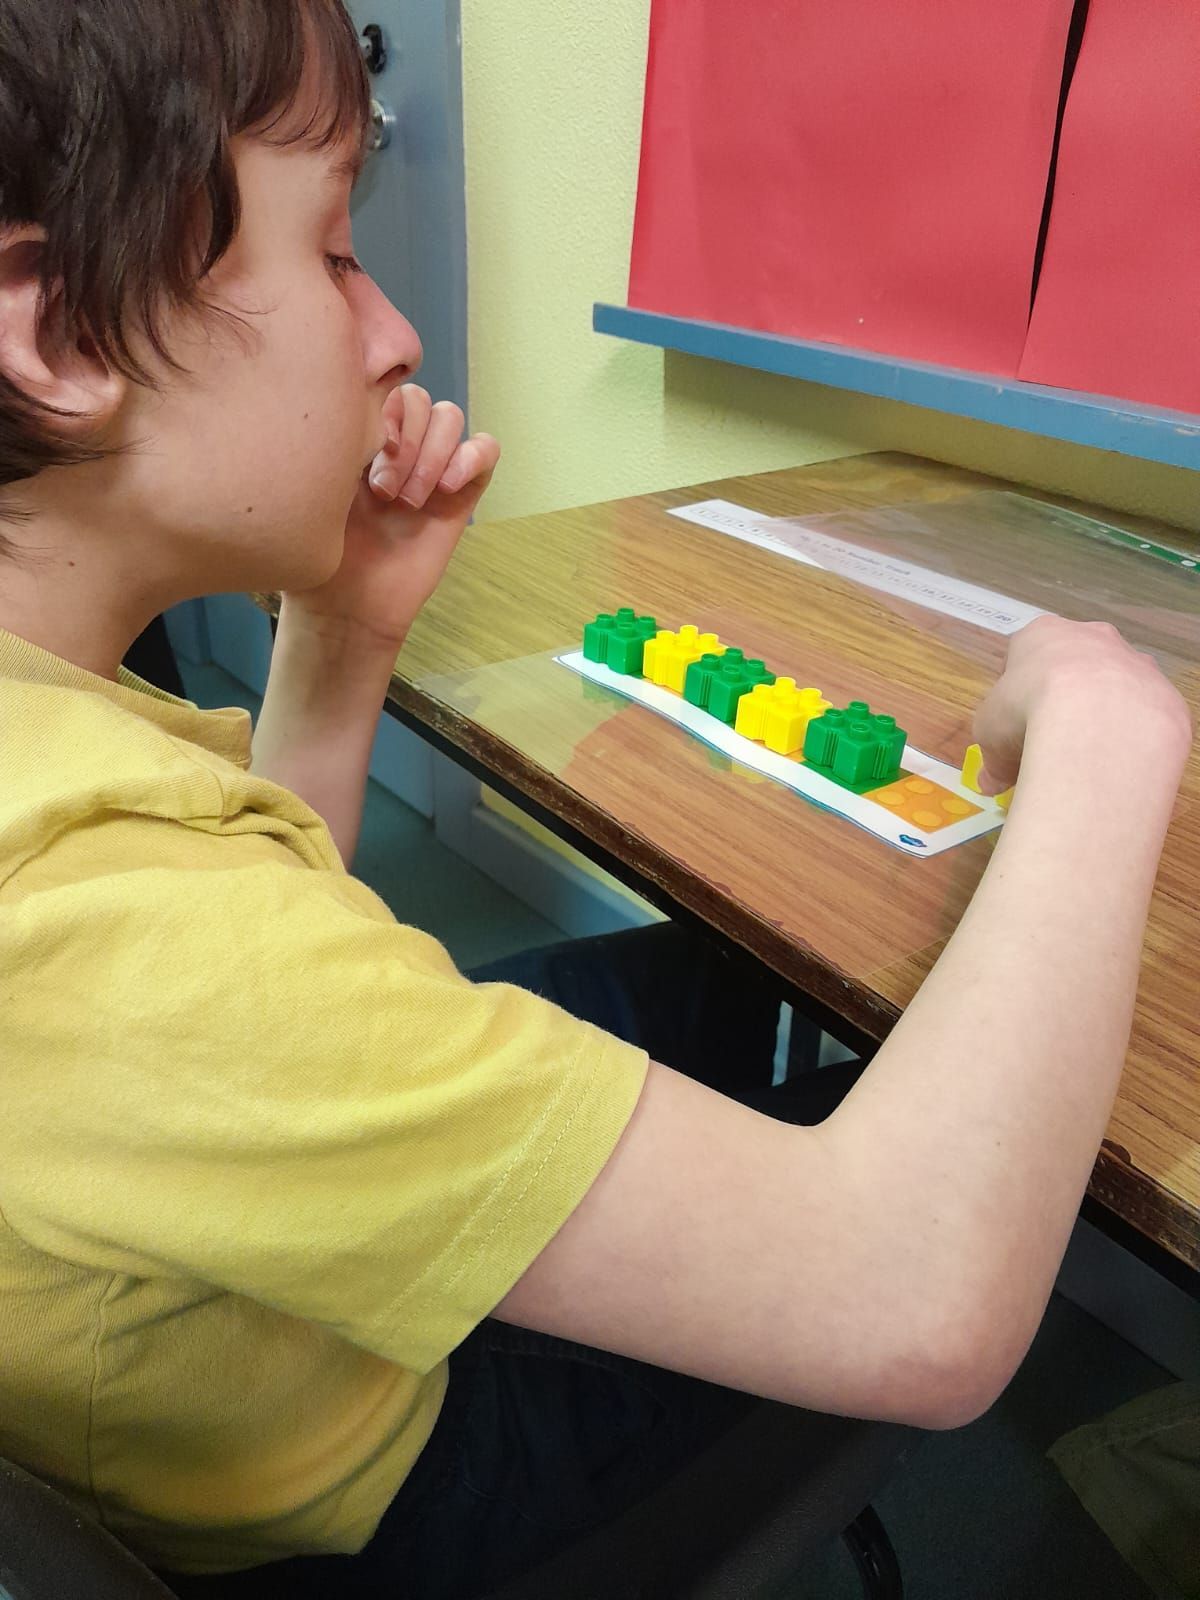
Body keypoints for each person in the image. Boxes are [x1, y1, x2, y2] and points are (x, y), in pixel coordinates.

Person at [0, 3, 1190, 1597]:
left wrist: (346, 636)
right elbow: (918, 1299)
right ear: (67, 335)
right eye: (339, 251)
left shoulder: (54, 745)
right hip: (404, 1476)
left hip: (246, 1300)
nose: (396, 336)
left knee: (720, 967)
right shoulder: (81, 907)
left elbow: (267, 932)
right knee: (893, 1120)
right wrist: (1111, 738)